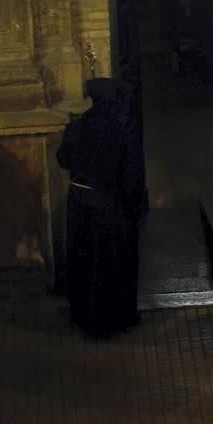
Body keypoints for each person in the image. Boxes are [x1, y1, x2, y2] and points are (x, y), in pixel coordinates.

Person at [56, 78, 146, 337]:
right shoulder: (122, 132)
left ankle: (84, 315)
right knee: (111, 263)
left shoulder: (77, 126)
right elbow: (133, 177)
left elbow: (63, 159)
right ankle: (114, 318)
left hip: (80, 203)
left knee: (84, 260)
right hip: (110, 206)